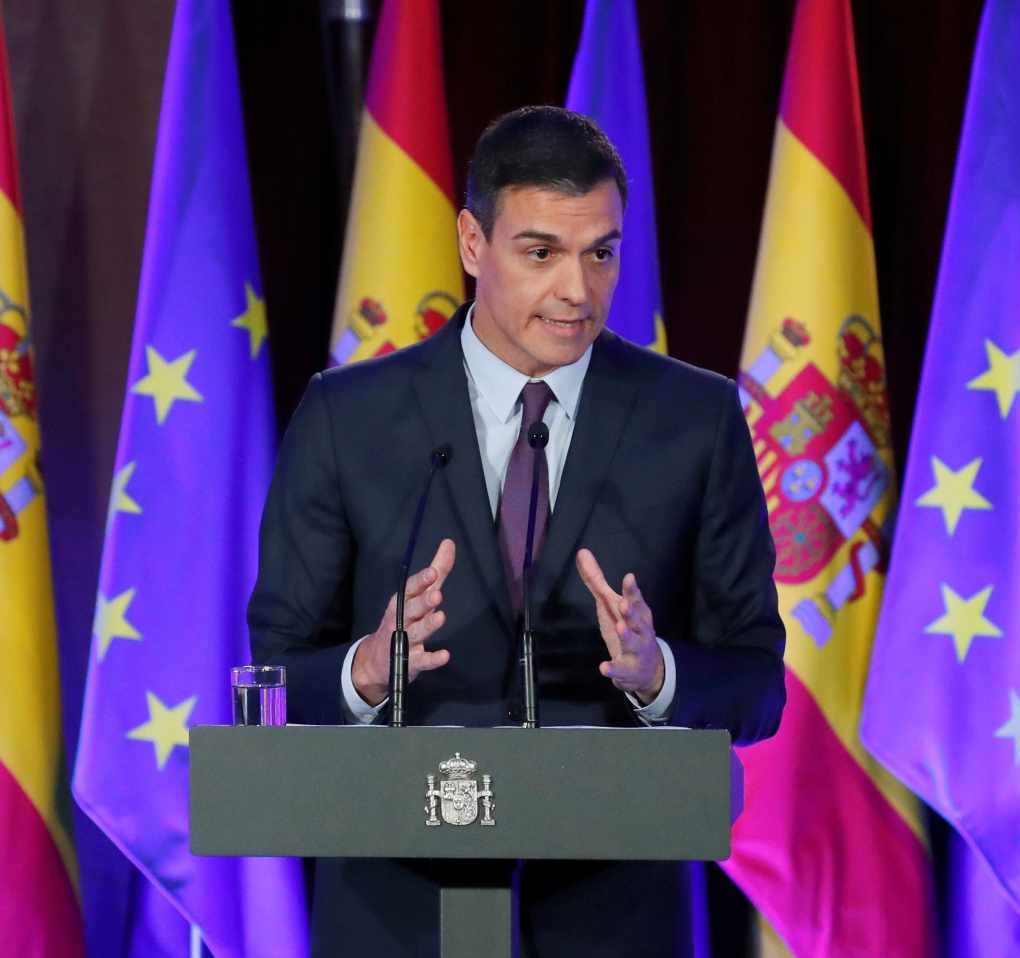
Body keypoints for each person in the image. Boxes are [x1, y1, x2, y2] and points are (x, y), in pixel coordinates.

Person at [248, 106, 786, 957]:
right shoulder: (350, 417)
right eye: (541, 252)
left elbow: (760, 683)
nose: (577, 290)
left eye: (600, 253)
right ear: (473, 244)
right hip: (398, 917)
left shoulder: (694, 419)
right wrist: (363, 669)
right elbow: (270, 674)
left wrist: (659, 676)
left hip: (616, 917)